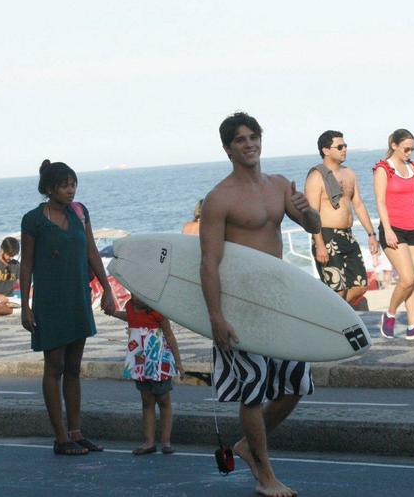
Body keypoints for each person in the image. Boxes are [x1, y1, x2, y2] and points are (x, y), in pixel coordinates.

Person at [200, 112, 320, 497]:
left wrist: (309, 209)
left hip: (278, 299)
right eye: (240, 139)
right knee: (252, 390)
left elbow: (314, 227)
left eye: (254, 136)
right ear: (227, 148)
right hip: (240, 303)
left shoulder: (280, 186)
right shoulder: (219, 199)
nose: (249, 143)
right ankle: (265, 476)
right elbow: (208, 262)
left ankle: (249, 446)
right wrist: (215, 317)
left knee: (295, 384)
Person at [20, 160, 116, 456]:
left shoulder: (80, 213)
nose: (71, 190)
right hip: (50, 302)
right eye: (64, 185)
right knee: (55, 366)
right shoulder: (33, 220)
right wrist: (25, 305)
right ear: (49, 189)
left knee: (74, 368)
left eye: (73, 184)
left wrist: (108, 289)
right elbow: (26, 264)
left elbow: (91, 252)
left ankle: (76, 433)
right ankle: (61, 438)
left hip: (78, 298)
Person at [304, 130, 379, 307]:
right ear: (326, 150)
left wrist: (371, 234)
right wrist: (319, 244)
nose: (344, 149)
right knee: (336, 289)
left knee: (360, 285)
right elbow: (311, 213)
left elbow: (358, 204)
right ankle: (334, 318)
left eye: (345, 146)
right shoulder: (316, 176)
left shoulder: (349, 174)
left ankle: (334, 313)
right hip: (327, 236)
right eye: (339, 146)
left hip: (347, 235)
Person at [373, 129, 414, 340]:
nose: (410, 152)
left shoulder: (413, 167)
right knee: (406, 278)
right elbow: (380, 201)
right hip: (394, 230)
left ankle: (413, 326)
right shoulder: (383, 169)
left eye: (412, 149)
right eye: (406, 148)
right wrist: (387, 229)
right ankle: (389, 315)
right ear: (394, 145)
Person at [110, 294, 183, 456]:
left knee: (164, 399)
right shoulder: (130, 307)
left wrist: (178, 362)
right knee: (146, 400)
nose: (137, 298)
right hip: (140, 360)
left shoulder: (158, 311)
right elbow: (129, 317)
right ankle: (149, 442)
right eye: (133, 293)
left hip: (158, 362)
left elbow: (169, 335)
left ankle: (166, 441)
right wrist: (113, 312)